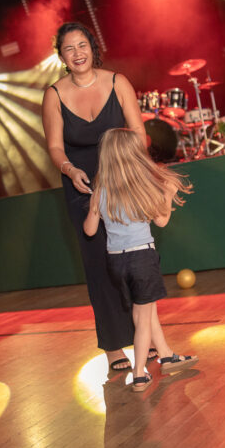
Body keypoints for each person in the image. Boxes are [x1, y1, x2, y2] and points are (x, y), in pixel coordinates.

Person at [42, 22, 150, 372]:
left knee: (133, 261)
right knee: (98, 264)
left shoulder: (118, 82)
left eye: (82, 45)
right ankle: (114, 347)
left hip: (122, 179)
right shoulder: (54, 95)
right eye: (69, 48)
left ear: (92, 47)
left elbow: (139, 133)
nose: (77, 53)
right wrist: (69, 170)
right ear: (61, 57)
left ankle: (145, 337)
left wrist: (125, 169)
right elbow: (55, 147)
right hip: (82, 185)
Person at [83, 128, 198, 392]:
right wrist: (168, 194)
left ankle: (166, 356)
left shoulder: (100, 191)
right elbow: (162, 220)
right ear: (135, 155)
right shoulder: (141, 187)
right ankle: (139, 373)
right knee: (142, 317)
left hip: (116, 262)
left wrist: (94, 208)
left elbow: (89, 230)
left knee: (146, 308)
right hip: (142, 258)